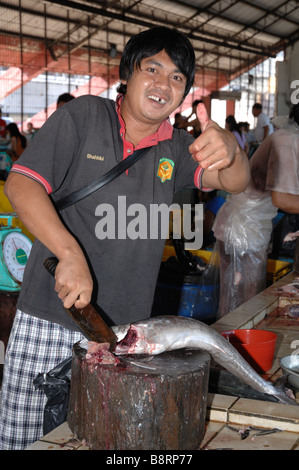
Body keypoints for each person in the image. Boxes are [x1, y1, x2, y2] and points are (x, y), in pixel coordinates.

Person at [1, 26, 249, 450]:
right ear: (128, 73)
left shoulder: (174, 147)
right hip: (49, 315)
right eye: (152, 68)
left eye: (177, 78)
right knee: (23, 439)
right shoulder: (84, 116)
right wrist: (69, 253)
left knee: (99, 438)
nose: (163, 84)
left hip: (123, 336)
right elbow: (21, 184)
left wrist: (231, 147)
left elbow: (236, 181)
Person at [213, 103, 299, 318]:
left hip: (247, 226)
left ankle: (232, 347)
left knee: (237, 304)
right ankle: (234, 348)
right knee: (243, 306)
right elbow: (282, 199)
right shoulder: (287, 141)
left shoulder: (289, 137)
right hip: (243, 229)